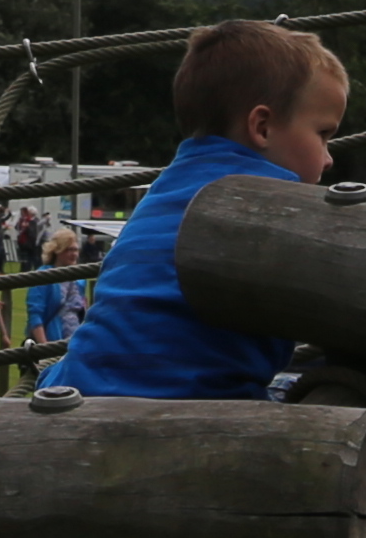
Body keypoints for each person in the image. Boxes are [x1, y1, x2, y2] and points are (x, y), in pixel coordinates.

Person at [38, 21, 344, 399]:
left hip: (82, 385)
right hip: (191, 401)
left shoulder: (163, 189)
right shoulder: (280, 206)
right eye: (323, 135)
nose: (328, 159)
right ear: (262, 127)